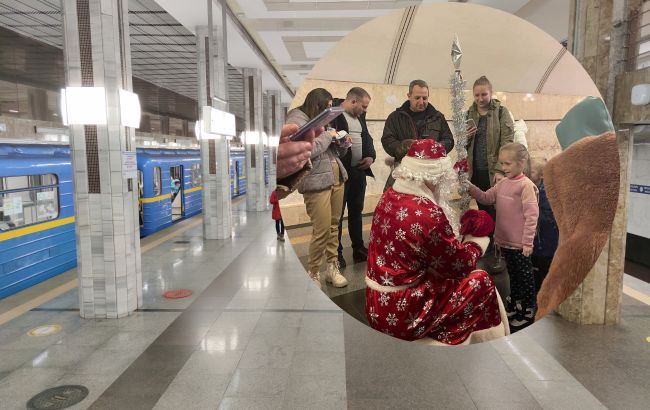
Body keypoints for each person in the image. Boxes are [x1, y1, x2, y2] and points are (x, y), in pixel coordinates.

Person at [365, 139, 508, 345]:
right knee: (481, 281)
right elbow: (459, 265)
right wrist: (475, 242)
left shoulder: (390, 196)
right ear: (433, 176)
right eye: (442, 179)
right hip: (404, 313)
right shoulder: (427, 212)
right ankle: (470, 344)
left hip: (376, 304)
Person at [468, 143, 539, 331]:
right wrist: (469, 187)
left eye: (508, 164)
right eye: (502, 163)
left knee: (525, 278)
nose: (504, 168)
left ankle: (528, 309)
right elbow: (485, 197)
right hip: (505, 242)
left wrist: (527, 242)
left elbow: (532, 216)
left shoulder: (525, 186)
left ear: (521, 163)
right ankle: (516, 306)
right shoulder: (503, 184)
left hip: (520, 245)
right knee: (514, 276)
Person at [286, 88, 351, 289]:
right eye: (327, 107)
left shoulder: (320, 120)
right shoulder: (296, 119)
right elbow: (306, 151)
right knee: (321, 230)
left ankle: (332, 268)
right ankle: (313, 272)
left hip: (335, 176)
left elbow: (330, 151)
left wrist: (342, 143)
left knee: (334, 227)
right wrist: (328, 137)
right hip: (315, 183)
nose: (329, 111)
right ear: (317, 104)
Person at [330, 87, 376, 268]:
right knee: (338, 215)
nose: (365, 110)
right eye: (363, 106)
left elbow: (368, 139)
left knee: (356, 212)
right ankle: (337, 253)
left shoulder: (360, 117)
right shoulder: (334, 114)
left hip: (358, 173)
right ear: (353, 101)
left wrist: (371, 157)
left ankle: (358, 247)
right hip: (341, 173)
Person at [381, 79, 454, 190]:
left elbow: (448, 139)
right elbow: (387, 140)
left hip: (431, 174)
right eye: (417, 98)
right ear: (409, 96)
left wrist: (433, 148)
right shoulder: (395, 117)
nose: (421, 102)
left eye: (424, 98)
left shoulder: (438, 117)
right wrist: (406, 147)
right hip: (404, 172)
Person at [466, 76, 515, 220]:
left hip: (494, 171)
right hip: (476, 172)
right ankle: (488, 239)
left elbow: (507, 143)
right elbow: (463, 146)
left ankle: (499, 240)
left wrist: (500, 170)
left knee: (499, 210)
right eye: (477, 95)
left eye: (484, 94)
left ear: (491, 93)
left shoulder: (501, 112)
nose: (480, 99)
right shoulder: (468, 114)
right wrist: (464, 137)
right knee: (483, 210)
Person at [529, 157, 559, 293]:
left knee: (544, 273)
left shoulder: (546, 194)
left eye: (532, 171)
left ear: (542, 175)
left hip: (546, 245)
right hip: (536, 244)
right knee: (535, 272)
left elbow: (548, 218)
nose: (528, 173)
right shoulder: (531, 190)